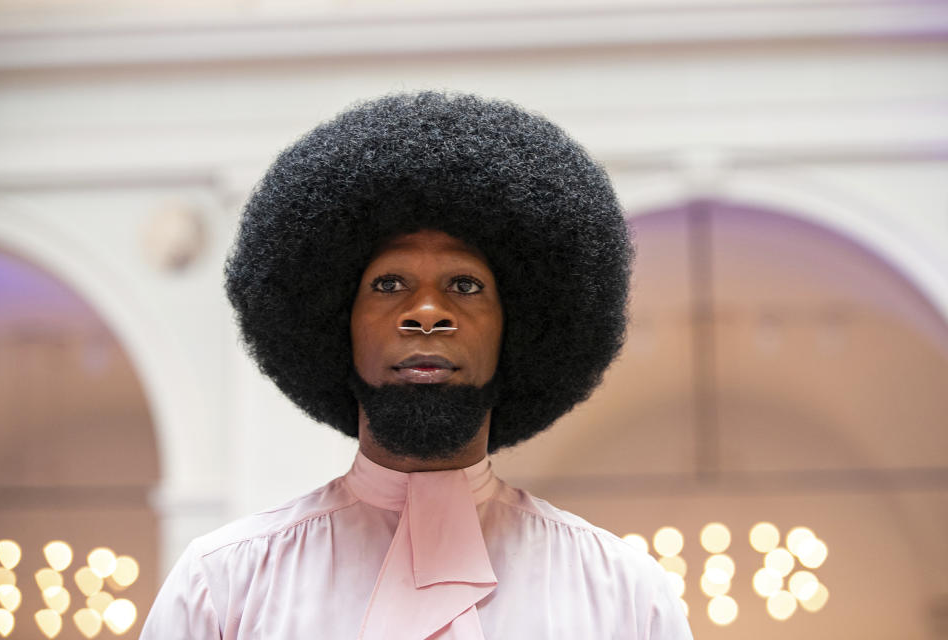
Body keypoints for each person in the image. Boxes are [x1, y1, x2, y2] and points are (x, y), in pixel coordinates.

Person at [140, 91, 693, 639]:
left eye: (465, 285)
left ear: (517, 327)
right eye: (389, 284)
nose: (427, 314)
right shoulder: (224, 584)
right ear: (338, 322)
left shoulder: (624, 593)